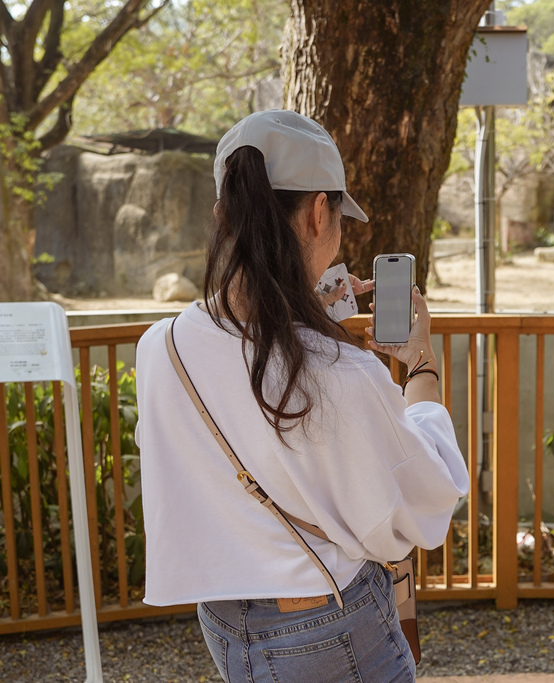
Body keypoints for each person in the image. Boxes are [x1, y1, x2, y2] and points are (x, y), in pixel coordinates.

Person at [135, 110, 469, 682]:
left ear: (222, 213)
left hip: (224, 620)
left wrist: (320, 312)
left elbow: (242, 388)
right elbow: (426, 504)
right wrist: (420, 364)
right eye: (338, 216)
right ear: (320, 212)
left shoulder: (160, 346)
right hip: (328, 624)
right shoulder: (340, 372)